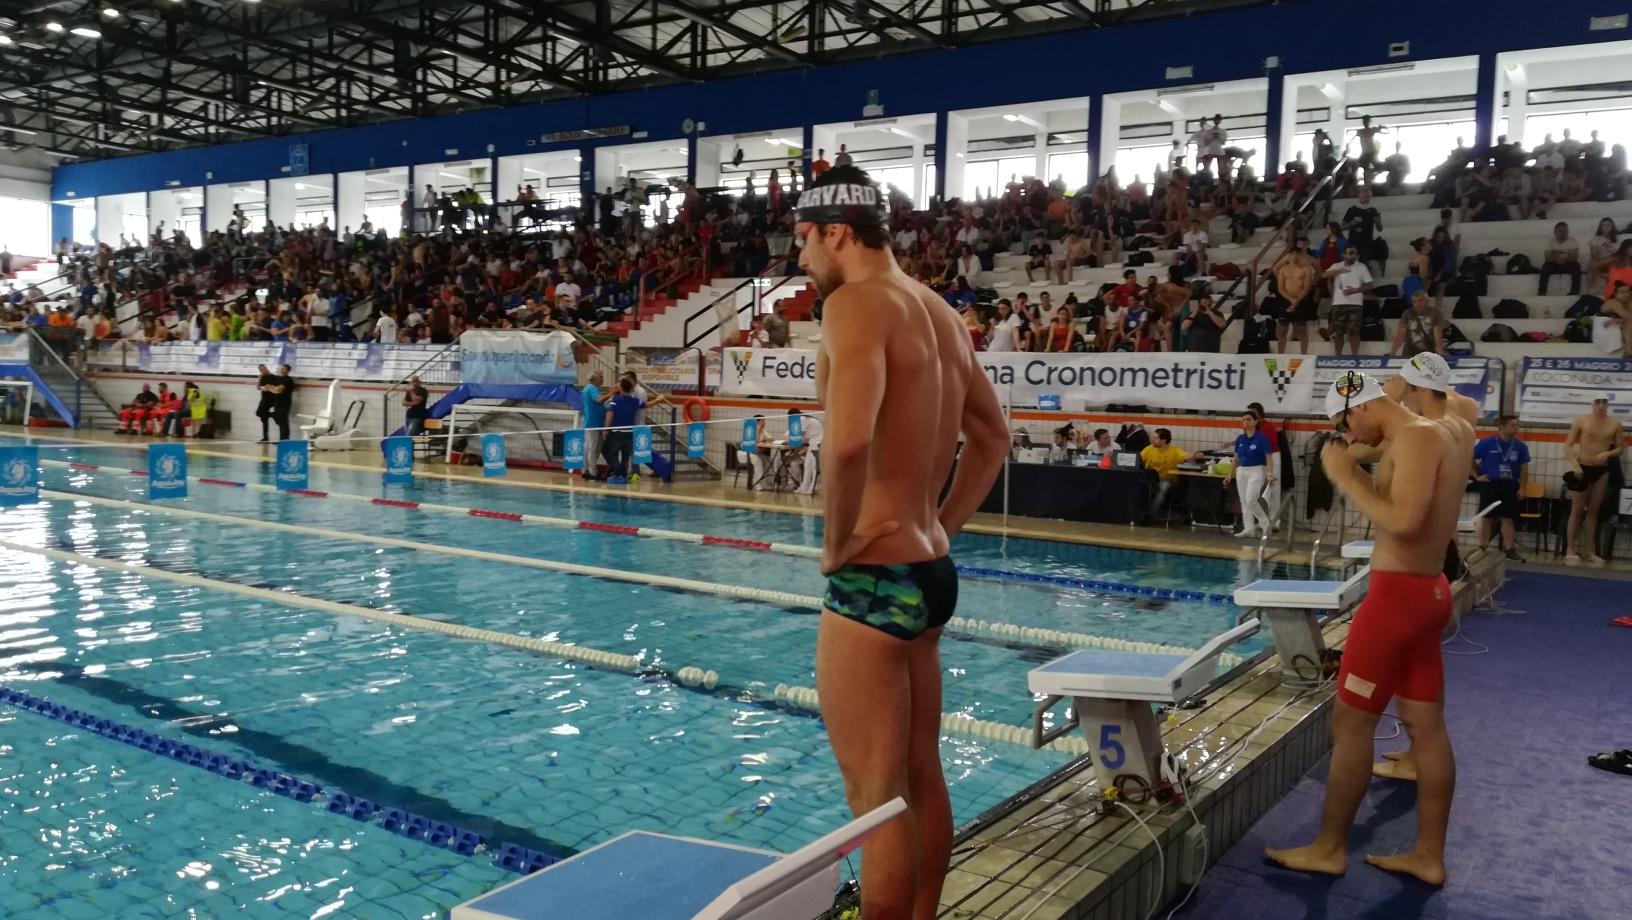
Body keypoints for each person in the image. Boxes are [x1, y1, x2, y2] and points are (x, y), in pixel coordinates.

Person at [797, 164, 1008, 920]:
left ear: (838, 232)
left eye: (805, 241)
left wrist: (835, 545)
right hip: (930, 570)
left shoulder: (856, 305)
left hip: (874, 581)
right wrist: (940, 528)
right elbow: (995, 439)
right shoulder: (941, 312)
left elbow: (848, 443)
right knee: (923, 775)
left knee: (874, 800)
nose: (802, 260)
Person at [1267, 370, 1464, 887]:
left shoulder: (1418, 436)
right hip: (1428, 594)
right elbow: (1401, 427)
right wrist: (1380, 411)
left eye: (1347, 426)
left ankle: (1329, 849)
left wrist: (1345, 475)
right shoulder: (1443, 427)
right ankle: (1427, 856)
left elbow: (1403, 521)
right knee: (1427, 726)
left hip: (1397, 604)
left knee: (1351, 726)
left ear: (1359, 407)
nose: (1351, 440)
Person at [1563, 396, 1625, 566]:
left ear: (1607, 405)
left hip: (1602, 470)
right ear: (1593, 405)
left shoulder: (1615, 424)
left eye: (1604, 403)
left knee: (1593, 512)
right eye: (1598, 403)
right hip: (1583, 468)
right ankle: (1570, 549)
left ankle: (1589, 551)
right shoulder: (1581, 421)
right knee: (1576, 510)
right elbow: (1567, 446)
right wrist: (1575, 466)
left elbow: (1620, 448)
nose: (1601, 406)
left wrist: (1607, 454)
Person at [1473, 415, 1529, 562]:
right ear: (1501, 427)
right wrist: (1476, 475)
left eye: (1517, 425)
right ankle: (1482, 546)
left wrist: (1522, 487)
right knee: (1486, 518)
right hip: (1491, 483)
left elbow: (1524, 468)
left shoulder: (1520, 446)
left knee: (1508, 518)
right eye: (1512, 425)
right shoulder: (1487, 443)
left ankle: (1509, 549)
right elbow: (1470, 456)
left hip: (1510, 485)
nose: (1516, 428)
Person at [1223, 412, 1273, 538]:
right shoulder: (1240, 439)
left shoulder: (1261, 438)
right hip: (1242, 470)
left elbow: (1269, 458)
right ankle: (1249, 528)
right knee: (1244, 501)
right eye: (1244, 420)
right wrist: (1230, 474)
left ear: (1256, 421)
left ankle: (1265, 523)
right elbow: (1236, 458)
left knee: (1251, 499)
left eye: (1249, 419)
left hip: (1256, 470)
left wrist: (1270, 473)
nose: (1246, 422)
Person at [1323, 245, 1373, 356]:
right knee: (1339, 332)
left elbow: (1369, 285)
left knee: (1354, 332)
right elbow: (1324, 275)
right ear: (1344, 255)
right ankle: (1338, 356)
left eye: (1355, 253)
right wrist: (1340, 270)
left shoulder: (1361, 267)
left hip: (1355, 303)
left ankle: (1355, 356)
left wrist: (1355, 290)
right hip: (1338, 303)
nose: (1354, 256)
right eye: (1350, 253)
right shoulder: (1337, 266)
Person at [1140, 428, 1201, 519]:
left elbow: (1186, 456)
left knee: (1164, 486)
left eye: (1156, 438)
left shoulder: (1174, 452)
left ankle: (1150, 514)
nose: (1153, 440)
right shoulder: (1148, 449)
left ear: (1164, 441)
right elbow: (1138, 459)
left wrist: (1195, 455)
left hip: (1168, 480)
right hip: (1151, 480)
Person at [602, 378, 653, 486]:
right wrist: (659, 400)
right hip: (630, 432)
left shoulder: (616, 401)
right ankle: (623, 476)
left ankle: (619, 471)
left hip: (617, 431)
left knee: (607, 450)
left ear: (621, 388)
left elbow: (610, 415)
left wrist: (606, 429)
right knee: (626, 455)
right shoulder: (635, 401)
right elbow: (647, 405)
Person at [1272, 237, 1317, 354]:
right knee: (1282, 330)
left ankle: (1304, 356)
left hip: (1300, 300)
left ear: (1301, 255)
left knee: (1302, 330)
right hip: (1286, 300)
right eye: (1293, 254)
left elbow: (1306, 287)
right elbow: (1281, 288)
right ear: (1289, 255)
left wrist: (1296, 301)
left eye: (1298, 254)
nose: (1295, 256)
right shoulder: (1283, 270)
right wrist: (1291, 299)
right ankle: (1280, 355)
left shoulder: (1306, 269)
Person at [1391, 290, 1445, 356]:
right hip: (1409, 352)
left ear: (1427, 301)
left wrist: (1440, 350)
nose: (1417, 303)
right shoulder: (1408, 313)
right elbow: (1401, 332)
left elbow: (1438, 333)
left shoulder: (1436, 312)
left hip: (1430, 353)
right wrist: (1392, 351)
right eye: (1415, 301)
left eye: (1420, 300)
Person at [1538, 221, 1582, 296]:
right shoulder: (1550, 242)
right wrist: (1556, 259)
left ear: (1568, 231)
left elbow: (1575, 258)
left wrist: (1564, 259)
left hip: (1568, 265)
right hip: (1555, 265)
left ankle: (1575, 291)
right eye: (1559, 230)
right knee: (1545, 266)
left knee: (1576, 266)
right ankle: (1542, 291)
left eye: (1564, 230)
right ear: (1555, 232)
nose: (1562, 232)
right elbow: (1547, 258)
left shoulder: (1573, 241)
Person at [579, 372, 607, 481]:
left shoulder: (589, 388)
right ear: (594, 378)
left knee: (588, 448)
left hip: (592, 422)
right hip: (593, 423)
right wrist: (610, 393)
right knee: (593, 448)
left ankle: (586, 471)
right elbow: (599, 399)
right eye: (600, 377)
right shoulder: (592, 389)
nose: (602, 379)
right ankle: (593, 473)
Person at [795, 408, 825, 495]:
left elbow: (801, 434)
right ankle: (804, 487)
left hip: (818, 444)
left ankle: (812, 488)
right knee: (807, 466)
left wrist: (794, 443)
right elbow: (807, 438)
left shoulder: (802, 419)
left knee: (814, 468)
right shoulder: (808, 419)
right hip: (812, 444)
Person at [255, 363, 282, 442]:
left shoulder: (272, 377)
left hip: (270, 398)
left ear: (266, 368)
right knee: (263, 417)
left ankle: (273, 415)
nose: (262, 371)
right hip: (264, 397)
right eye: (261, 370)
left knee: (259, 413)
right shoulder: (262, 377)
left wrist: (267, 387)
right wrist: (259, 379)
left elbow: (271, 387)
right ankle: (265, 437)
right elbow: (258, 388)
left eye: (263, 369)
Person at [270, 364, 295, 442]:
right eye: (282, 369)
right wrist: (272, 388)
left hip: (284, 403)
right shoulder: (280, 379)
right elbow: (271, 387)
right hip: (277, 402)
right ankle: (283, 438)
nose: (282, 370)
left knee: (283, 420)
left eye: (284, 369)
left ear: (288, 371)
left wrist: (272, 388)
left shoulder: (288, 380)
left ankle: (284, 438)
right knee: (280, 420)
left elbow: (278, 389)